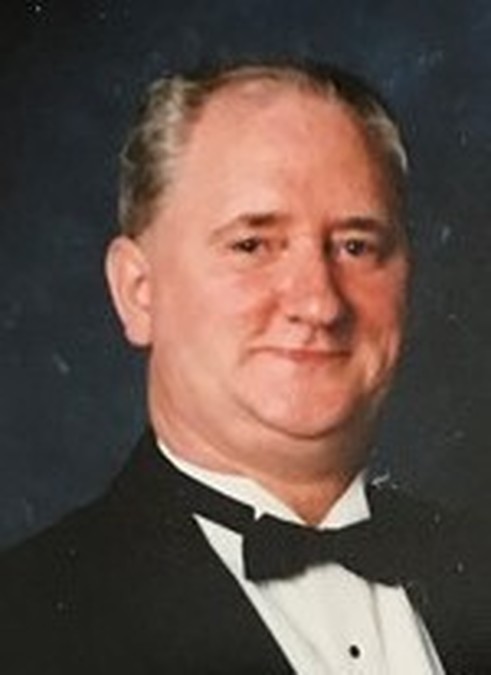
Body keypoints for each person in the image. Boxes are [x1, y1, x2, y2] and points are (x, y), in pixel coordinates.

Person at [0, 57, 490, 675]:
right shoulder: (23, 625)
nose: (318, 303)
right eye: (252, 245)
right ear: (138, 292)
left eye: (356, 246)